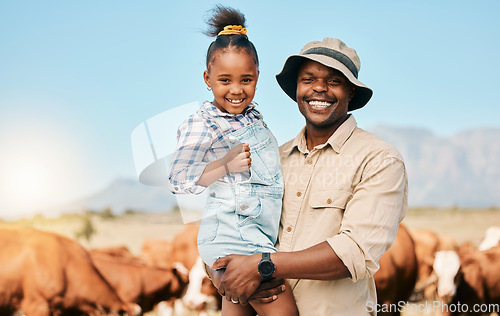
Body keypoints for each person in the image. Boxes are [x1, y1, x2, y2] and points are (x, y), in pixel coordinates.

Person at [208, 37, 408, 315]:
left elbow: (355, 252)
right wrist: (220, 274)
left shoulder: (379, 159)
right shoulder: (269, 158)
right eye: (308, 79)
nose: (319, 88)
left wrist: (262, 264)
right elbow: (225, 223)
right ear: (297, 89)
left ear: (351, 92)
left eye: (335, 81)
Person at [168, 5, 298, 316]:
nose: (237, 90)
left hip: (257, 235)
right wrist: (223, 165)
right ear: (207, 78)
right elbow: (179, 179)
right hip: (233, 239)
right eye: (225, 80)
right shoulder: (201, 124)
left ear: (257, 77)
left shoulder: (253, 116)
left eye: (246, 80)